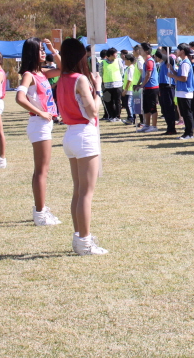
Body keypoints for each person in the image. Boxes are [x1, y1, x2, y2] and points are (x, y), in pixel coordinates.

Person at [57, 38, 108, 255]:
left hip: (70, 134)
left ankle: (80, 237)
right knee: (85, 193)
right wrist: (98, 89)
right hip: (84, 134)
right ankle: (85, 241)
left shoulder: (62, 78)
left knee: (78, 191)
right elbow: (93, 110)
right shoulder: (80, 79)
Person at [15, 38, 65, 226]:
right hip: (38, 123)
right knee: (41, 171)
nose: (44, 53)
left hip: (44, 124)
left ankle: (41, 209)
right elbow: (19, 98)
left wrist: (53, 50)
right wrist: (41, 112)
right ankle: (40, 213)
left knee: (43, 170)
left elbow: (63, 68)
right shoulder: (29, 75)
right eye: (41, 49)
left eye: (44, 50)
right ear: (31, 52)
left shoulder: (42, 72)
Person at [167, 43, 194, 140]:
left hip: (185, 91)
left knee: (187, 113)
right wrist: (172, 70)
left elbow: (184, 78)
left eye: (178, 49)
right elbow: (180, 75)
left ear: (182, 51)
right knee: (184, 113)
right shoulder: (183, 62)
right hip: (182, 91)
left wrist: (172, 76)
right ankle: (187, 132)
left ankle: (190, 133)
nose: (176, 51)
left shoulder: (185, 63)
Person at [136, 43, 159, 133]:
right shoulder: (145, 61)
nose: (139, 51)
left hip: (152, 87)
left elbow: (148, 75)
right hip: (146, 87)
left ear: (146, 51)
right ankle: (147, 125)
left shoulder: (150, 61)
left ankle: (154, 126)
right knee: (146, 107)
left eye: (141, 49)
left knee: (152, 107)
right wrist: (139, 84)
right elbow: (143, 75)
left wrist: (142, 85)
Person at [157, 47, 178, 135]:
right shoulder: (162, 62)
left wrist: (160, 47)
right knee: (165, 109)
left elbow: (159, 55)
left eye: (162, 50)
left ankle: (172, 129)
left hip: (168, 86)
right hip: (162, 86)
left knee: (169, 108)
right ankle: (169, 128)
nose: (160, 52)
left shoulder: (169, 59)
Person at [101, 47, 123, 122]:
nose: (116, 55)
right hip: (107, 85)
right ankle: (111, 116)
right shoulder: (103, 63)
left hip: (118, 84)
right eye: (115, 53)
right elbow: (101, 73)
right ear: (110, 55)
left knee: (117, 101)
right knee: (108, 101)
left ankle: (117, 116)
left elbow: (122, 71)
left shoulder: (118, 61)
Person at [122, 53, 137, 124]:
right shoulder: (128, 68)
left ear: (129, 60)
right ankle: (130, 117)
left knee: (129, 104)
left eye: (125, 59)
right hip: (129, 89)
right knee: (128, 104)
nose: (124, 61)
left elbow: (129, 80)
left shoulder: (130, 69)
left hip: (130, 90)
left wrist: (125, 89)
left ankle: (131, 118)